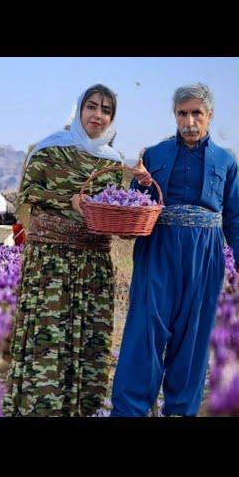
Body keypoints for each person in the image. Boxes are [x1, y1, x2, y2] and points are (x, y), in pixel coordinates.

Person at [111, 83, 239, 417]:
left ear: (209, 115)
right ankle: (129, 410)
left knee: (193, 336)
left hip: (205, 255)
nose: (190, 121)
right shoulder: (154, 154)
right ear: (174, 115)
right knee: (144, 329)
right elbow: (138, 204)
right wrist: (138, 183)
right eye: (183, 113)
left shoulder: (227, 161)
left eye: (197, 113)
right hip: (159, 249)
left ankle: (181, 410)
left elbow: (235, 219)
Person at [2, 84, 124, 416]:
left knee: (88, 342)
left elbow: (118, 208)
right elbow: (27, 197)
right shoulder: (49, 150)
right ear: (79, 109)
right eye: (92, 107)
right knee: (49, 339)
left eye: (106, 110)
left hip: (93, 265)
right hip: (51, 266)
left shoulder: (114, 164)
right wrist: (66, 202)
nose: (98, 115)